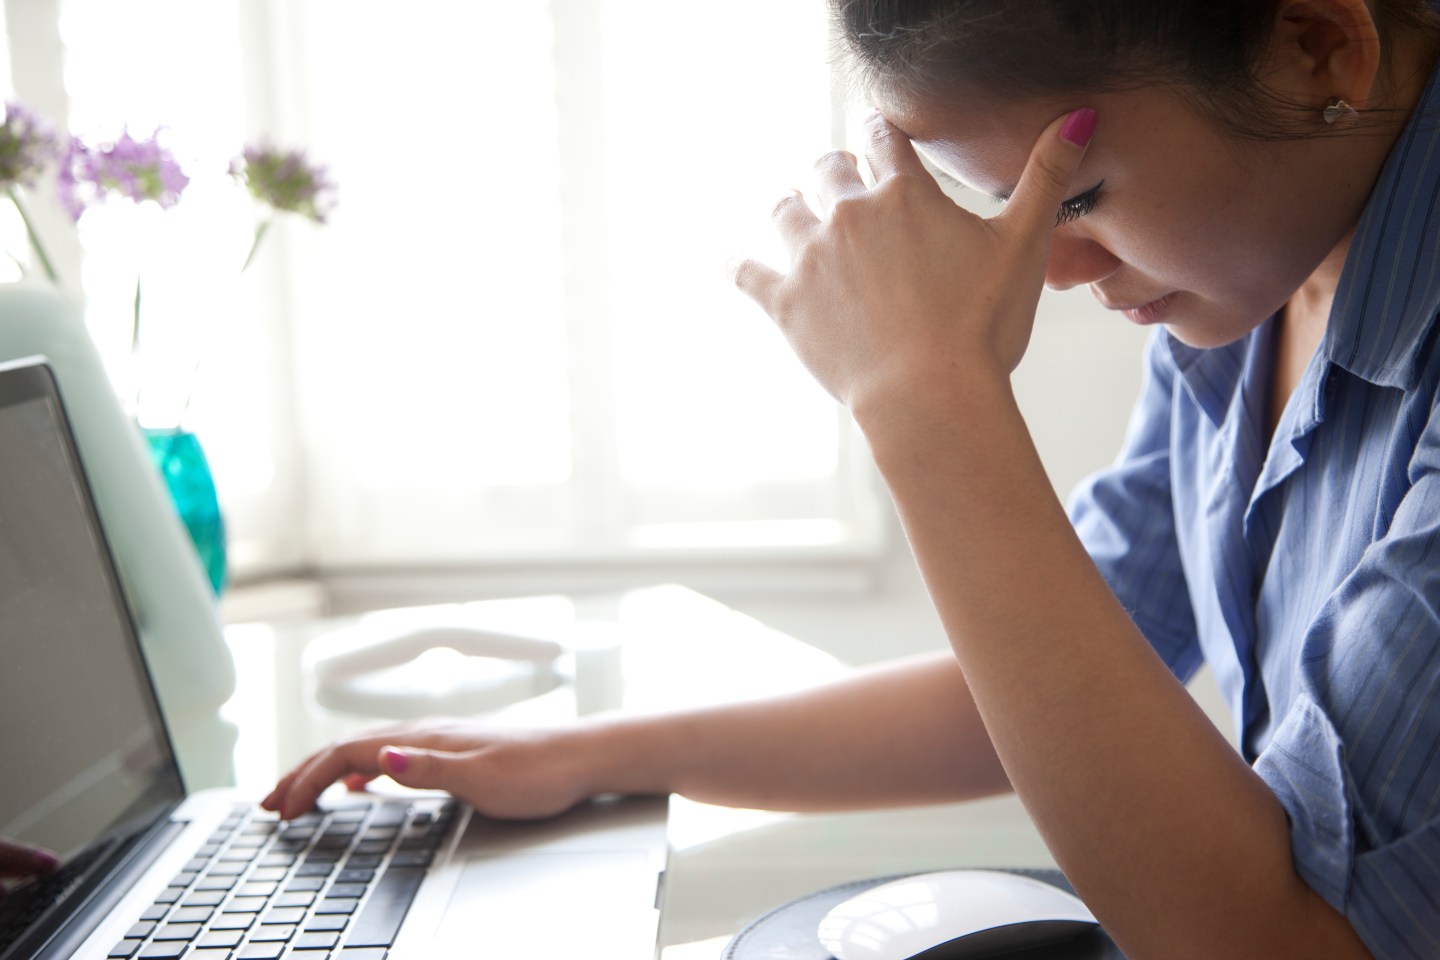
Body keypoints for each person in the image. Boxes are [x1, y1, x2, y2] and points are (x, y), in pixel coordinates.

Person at [265, 1, 1440, 956]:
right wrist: (590, 754)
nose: (1061, 269)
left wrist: (931, 401)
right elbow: (1055, 681)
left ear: (1319, 46)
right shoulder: (1251, 288)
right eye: (1011, 207)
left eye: (1077, 197)